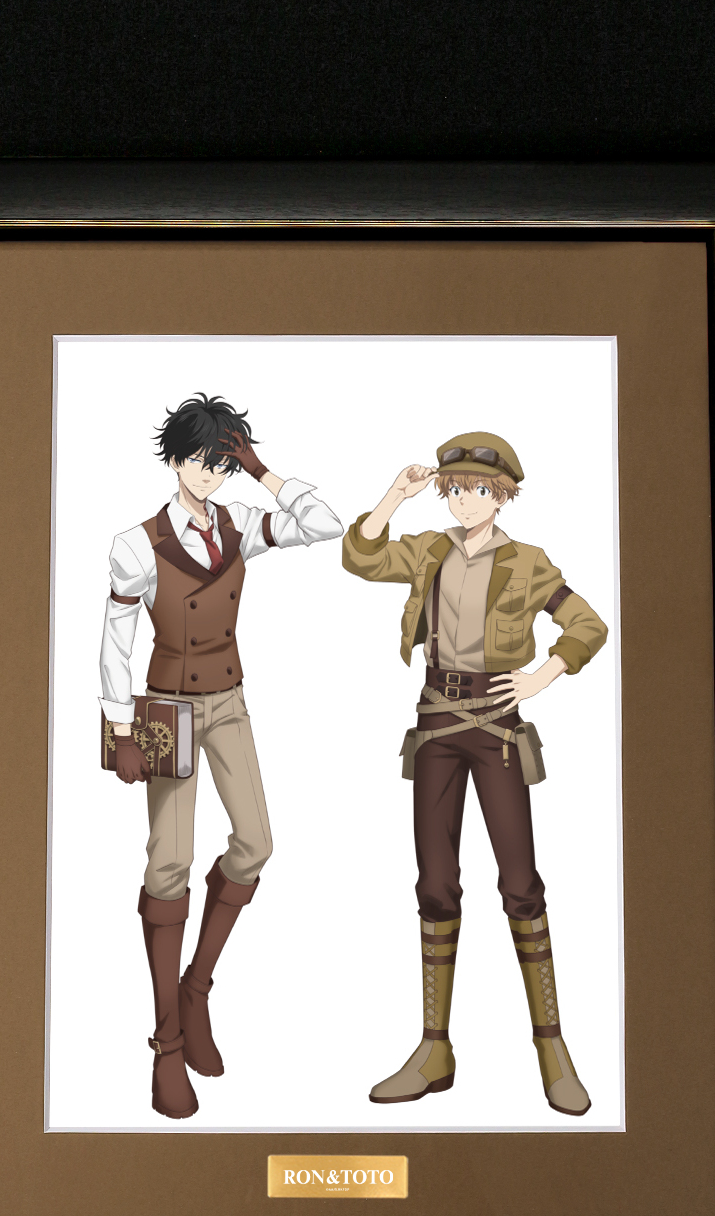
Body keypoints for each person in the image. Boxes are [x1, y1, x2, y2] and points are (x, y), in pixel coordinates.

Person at [341, 431, 608, 1115]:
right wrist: (394, 496)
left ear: (503, 495)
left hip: (496, 729)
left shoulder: (527, 562)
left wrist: (542, 676)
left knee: (520, 883)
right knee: (435, 885)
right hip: (435, 724)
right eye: (455, 489)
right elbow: (361, 558)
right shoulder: (429, 549)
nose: (465, 501)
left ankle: (552, 1049)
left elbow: (587, 624)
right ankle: (434, 1049)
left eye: (479, 490)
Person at [100, 393, 342, 1118]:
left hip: (229, 700)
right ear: (174, 460)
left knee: (256, 842)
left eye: (221, 464)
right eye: (200, 461)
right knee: (168, 862)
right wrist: (119, 729)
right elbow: (115, 642)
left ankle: (196, 988)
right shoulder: (136, 544)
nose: (210, 475)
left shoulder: (238, 526)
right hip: (166, 709)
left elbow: (323, 523)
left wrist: (261, 470)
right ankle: (166, 1044)